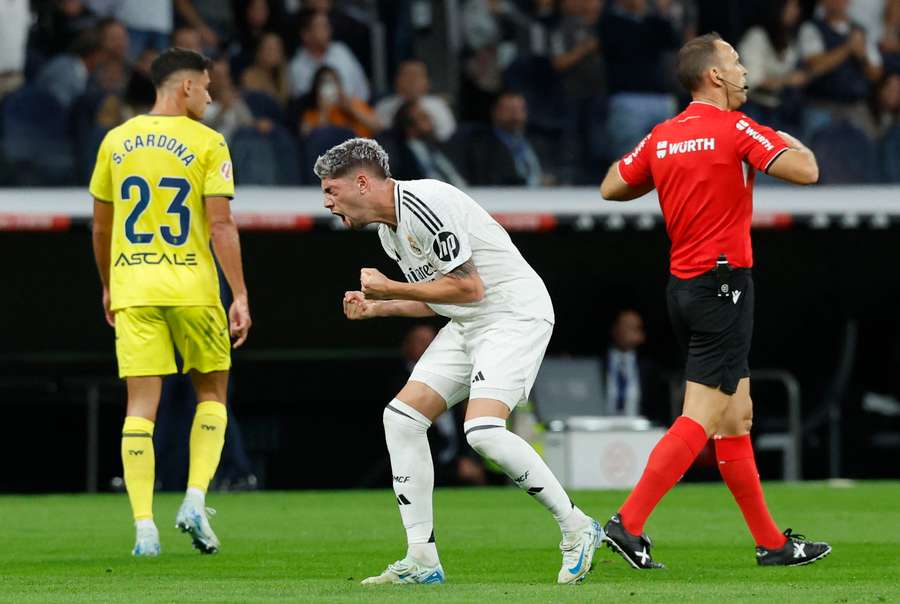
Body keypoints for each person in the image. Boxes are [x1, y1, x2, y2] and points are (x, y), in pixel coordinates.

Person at [316, 138, 603, 585]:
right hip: (468, 322)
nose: (328, 202)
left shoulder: (425, 204)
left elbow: (469, 288)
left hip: (512, 314)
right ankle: (422, 561)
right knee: (402, 419)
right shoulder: (388, 231)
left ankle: (578, 527)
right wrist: (380, 308)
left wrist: (390, 289)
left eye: (332, 190)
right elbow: (438, 297)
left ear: (361, 181)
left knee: (482, 431)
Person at [599, 32, 831, 569]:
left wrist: (660, 174)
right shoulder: (737, 128)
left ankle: (772, 544)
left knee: (736, 418)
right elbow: (808, 172)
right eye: (736, 61)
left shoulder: (662, 135)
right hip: (725, 287)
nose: (745, 70)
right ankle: (627, 525)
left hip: (684, 288)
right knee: (701, 416)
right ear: (715, 76)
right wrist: (796, 143)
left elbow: (612, 185)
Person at [89, 48, 252, 557]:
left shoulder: (115, 141)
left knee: (140, 407)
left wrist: (108, 283)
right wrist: (240, 293)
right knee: (212, 394)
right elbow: (221, 224)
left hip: (134, 287)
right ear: (185, 87)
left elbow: (101, 225)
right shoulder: (208, 141)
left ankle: (143, 528)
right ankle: (195, 500)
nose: (209, 96)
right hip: (192, 289)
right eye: (206, 88)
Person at [377, 99, 465, 186]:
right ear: (409, 128)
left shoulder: (439, 146)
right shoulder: (401, 155)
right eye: (423, 118)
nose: (430, 121)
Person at [288, 10, 370, 102]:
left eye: (327, 26)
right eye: (321, 26)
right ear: (305, 34)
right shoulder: (296, 67)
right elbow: (302, 104)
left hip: (353, 110)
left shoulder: (342, 51)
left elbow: (363, 89)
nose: (328, 30)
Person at [467, 90, 543, 186]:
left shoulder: (536, 141)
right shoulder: (481, 145)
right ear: (495, 111)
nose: (515, 115)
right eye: (509, 109)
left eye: (519, 110)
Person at [602, 309, 666, 423]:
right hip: (600, 429)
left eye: (635, 328)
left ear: (642, 335)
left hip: (638, 431)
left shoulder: (649, 369)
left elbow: (658, 409)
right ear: (614, 329)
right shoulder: (598, 364)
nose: (629, 331)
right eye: (625, 325)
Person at [374, 60, 457, 142]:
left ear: (427, 82)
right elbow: (380, 135)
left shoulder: (438, 104)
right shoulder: (384, 105)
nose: (412, 80)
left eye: (417, 75)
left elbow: (448, 135)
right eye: (406, 75)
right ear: (396, 80)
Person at [299, 66, 382, 138]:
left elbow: (378, 127)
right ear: (317, 89)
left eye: (333, 81)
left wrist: (351, 109)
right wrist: (324, 112)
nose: (330, 87)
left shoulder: (354, 104)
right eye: (325, 83)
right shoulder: (312, 114)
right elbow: (306, 137)